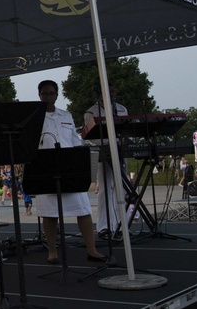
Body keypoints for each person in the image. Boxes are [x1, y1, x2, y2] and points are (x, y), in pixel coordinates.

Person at [34, 80, 105, 263]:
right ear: (39, 95)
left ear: (57, 95)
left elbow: (75, 141)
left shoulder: (66, 115)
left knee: (83, 209)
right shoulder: (34, 117)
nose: (48, 96)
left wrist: (80, 160)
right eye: (44, 93)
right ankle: (53, 251)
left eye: (51, 93)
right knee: (50, 213)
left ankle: (92, 249)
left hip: (69, 167)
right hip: (46, 167)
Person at [83, 89, 128, 239]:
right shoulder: (91, 112)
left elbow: (126, 129)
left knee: (121, 189)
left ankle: (122, 225)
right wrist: (109, 144)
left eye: (113, 92)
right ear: (100, 94)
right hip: (103, 152)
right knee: (104, 188)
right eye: (107, 92)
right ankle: (104, 226)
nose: (111, 95)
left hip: (121, 151)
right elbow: (91, 136)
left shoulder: (122, 109)